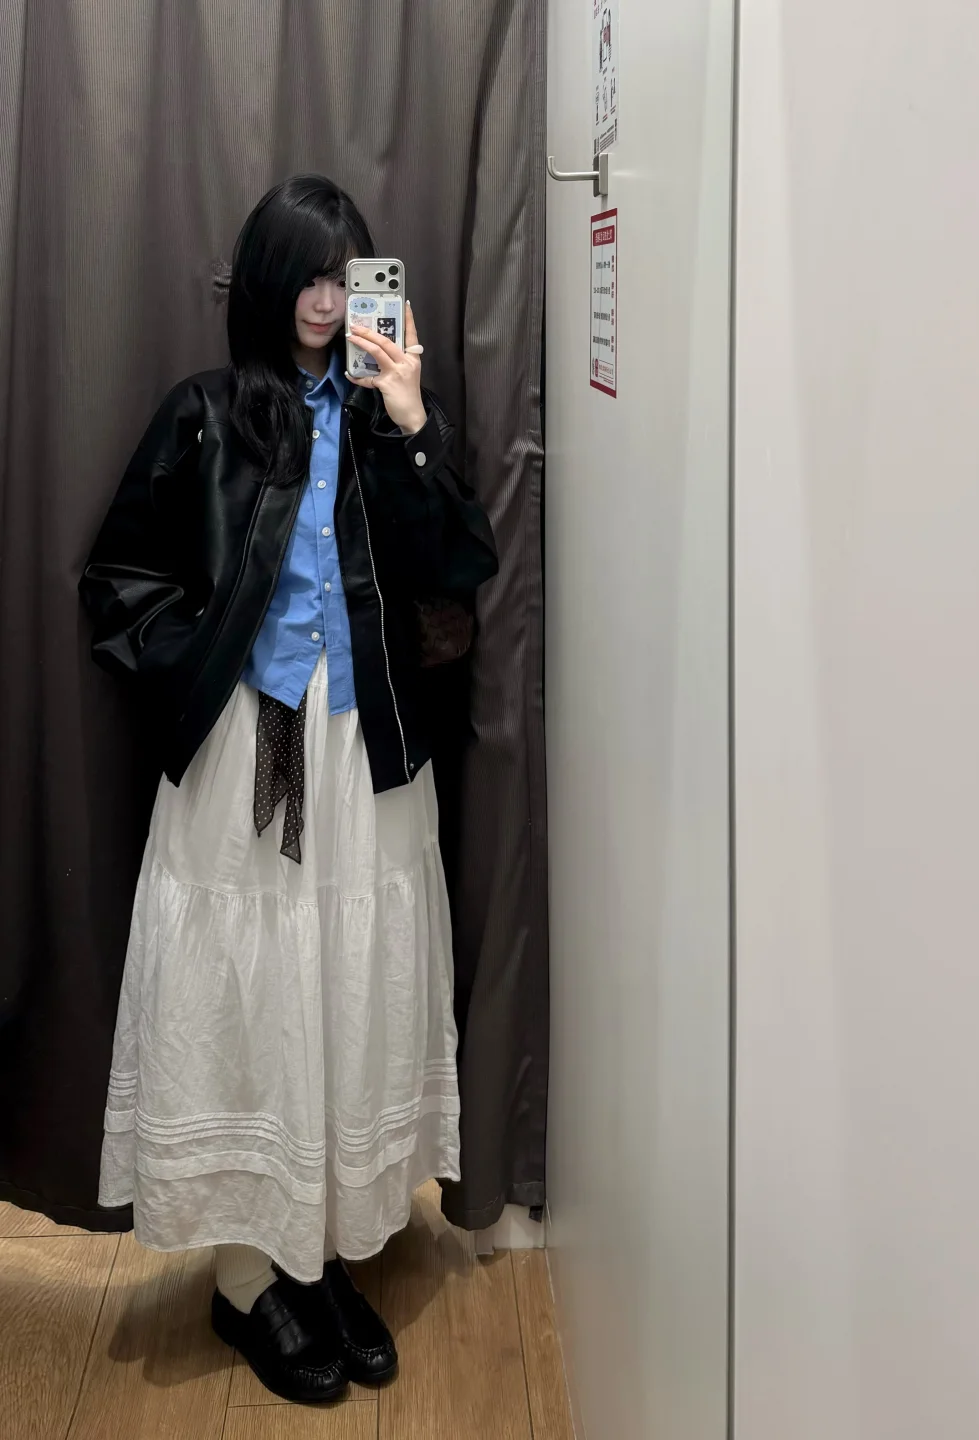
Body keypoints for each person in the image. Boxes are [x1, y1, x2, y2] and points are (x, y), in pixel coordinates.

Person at [80, 174, 498, 1404]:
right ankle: (247, 1275)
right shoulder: (209, 414)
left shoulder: (386, 417)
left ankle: (318, 1251)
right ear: (269, 282)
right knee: (257, 980)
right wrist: (203, 665)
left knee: (346, 981)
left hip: (368, 736)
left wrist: (407, 419)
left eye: (344, 277)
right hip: (261, 734)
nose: (325, 301)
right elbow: (120, 579)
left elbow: (457, 563)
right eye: (307, 276)